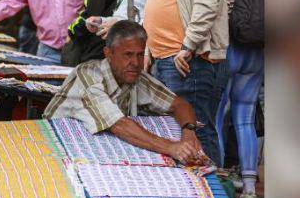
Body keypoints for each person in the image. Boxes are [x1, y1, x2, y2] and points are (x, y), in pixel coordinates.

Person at [43, 21, 209, 165]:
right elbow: (119, 125)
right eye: (128, 55)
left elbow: (179, 104)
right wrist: (171, 147)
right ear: (108, 54)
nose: (136, 63)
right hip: (54, 148)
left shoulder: (133, 76)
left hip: (87, 147)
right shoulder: (88, 77)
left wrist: (188, 133)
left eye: (139, 54)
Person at [141, 0, 229, 164]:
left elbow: (207, 1)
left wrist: (188, 46)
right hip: (165, 58)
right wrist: (149, 49)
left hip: (187, 60)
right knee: (176, 132)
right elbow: (158, 2)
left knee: (196, 130)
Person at [211, 0, 266, 198]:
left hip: (228, 50)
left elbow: (220, 9)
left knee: (217, 117)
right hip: (257, 52)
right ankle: (249, 192)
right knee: (245, 119)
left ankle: (220, 185)